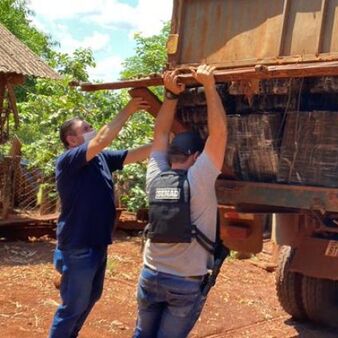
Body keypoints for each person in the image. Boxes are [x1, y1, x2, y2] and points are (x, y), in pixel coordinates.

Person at [133, 65, 227, 338]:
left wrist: (171, 96)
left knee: (141, 333)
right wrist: (209, 85)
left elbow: (160, 134)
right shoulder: (200, 178)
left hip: (150, 274)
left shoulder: (155, 175)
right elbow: (219, 134)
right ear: (196, 157)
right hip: (184, 283)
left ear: (171, 153)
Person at [50, 98, 152, 338]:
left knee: (91, 297)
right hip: (78, 247)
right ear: (72, 140)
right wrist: (130, 107)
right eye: (85, 129)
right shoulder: (69, 160)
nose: (91, 130)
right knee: (72, 307)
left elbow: (134, 154)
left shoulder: (101, 158)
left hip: (97, 244)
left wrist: (164, 142)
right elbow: (103, 139)